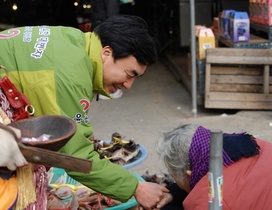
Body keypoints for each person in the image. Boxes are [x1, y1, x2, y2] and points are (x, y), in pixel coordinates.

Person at [0, 15, 168, 209]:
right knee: (15, 190)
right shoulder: (69, 76)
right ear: (106, 53)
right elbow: (76, 157)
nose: (128, 85)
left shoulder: (75, 43)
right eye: (129, 74)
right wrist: (136, 188)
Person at [156, 124, 272, 209]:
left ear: (189, 175)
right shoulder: (252, 144)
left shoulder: (211, 201)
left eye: (175, 177)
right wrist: (174, 193)